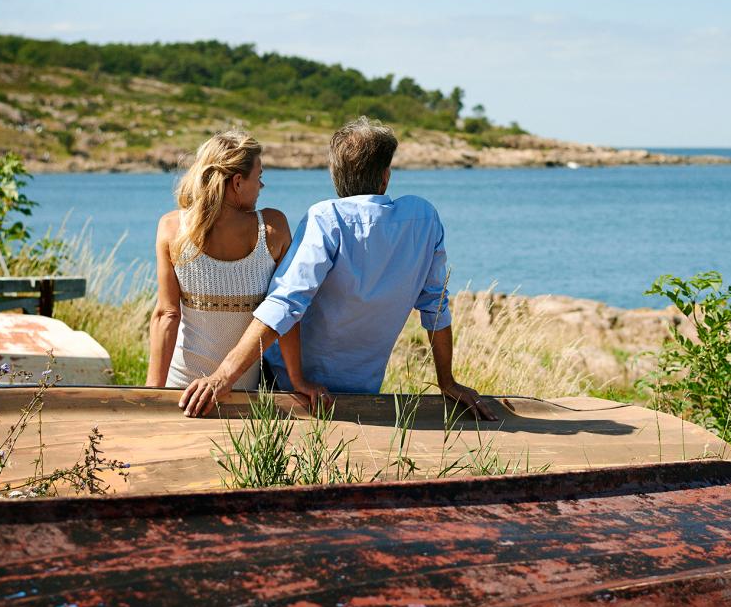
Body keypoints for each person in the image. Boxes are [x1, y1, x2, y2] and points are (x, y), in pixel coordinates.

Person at [178, 117, 496, 421]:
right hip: (364, 388)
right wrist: (447, 381)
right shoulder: (423, 218)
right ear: (385, 176)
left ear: (335, 175)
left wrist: (223, 375)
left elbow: (284, 305)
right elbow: (435, 306)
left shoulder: (327, 219)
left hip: (290, 387)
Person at [146, 130, 324, 405]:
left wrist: (152, 392)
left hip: (180, 390)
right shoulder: (273, 228)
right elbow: (285, 311)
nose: (261, 186)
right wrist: (297, 379)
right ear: (238, 182)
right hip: (242, 394)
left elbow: (166, 315)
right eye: (259, 177)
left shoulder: (171, 228)